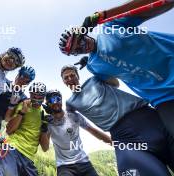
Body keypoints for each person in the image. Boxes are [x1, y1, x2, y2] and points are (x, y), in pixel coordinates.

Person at [59, 0, 174, 137]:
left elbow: (157, 4)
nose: (82, 48)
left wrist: (104, 15)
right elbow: (115, 84)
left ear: (84, 32)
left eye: (80, 41)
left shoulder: (109, 27)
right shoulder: (93, 66)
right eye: (77, 50)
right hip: (162, 97)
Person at [60, 65, 174, 176]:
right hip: (124, 138)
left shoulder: (94, 80)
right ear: (63, 81)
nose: (70, 79)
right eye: (66, 77)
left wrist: (94, 66)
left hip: (148, 119)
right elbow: (66, 119)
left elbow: (116, 83)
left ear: (77, 76)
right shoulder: (70, 103)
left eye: (72, 75)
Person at [41, 90, 111, 176]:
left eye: (58, 99)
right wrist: (43, 129)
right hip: (64, 166)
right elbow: (45, 148)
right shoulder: (48, 122)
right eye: (52, 100)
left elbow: (94, 131)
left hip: (83, 162)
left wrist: (113, 142)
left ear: (61, 100)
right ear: (47, 103)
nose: (55, 102)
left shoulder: (74, 116)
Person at [0, 82, 48, 176]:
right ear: (30, 94)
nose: (36, 99)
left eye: (40, 97)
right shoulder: (24, 105)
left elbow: (45, 148)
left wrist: (44, 128)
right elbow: (9, 130)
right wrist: (22, 112)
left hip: (29, 157)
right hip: (12, 148)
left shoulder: (46, 115)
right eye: (34, 95)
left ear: (44, 97)